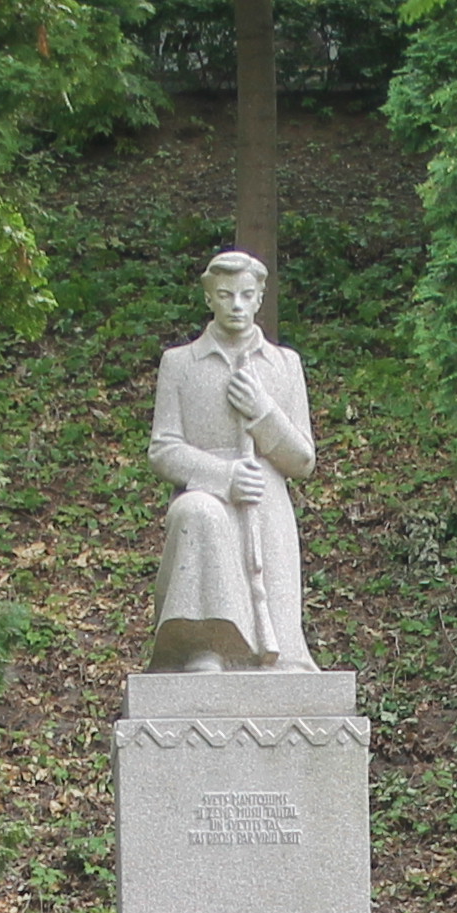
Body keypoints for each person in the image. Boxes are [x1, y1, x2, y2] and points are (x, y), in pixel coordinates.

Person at [143, 249, 317, 673]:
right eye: (225, 295)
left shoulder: (284, 365)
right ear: (209, 298)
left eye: (245, 295)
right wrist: (223, 476)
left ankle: (279, 651)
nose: (236, 305)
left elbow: (302, 460)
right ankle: (205, 646)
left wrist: (263, 413)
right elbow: (163, 448)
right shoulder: (180, 364)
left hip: (265, 494)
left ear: (259, 298)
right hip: (206, 489)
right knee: (198, 513)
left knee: (283, 651)